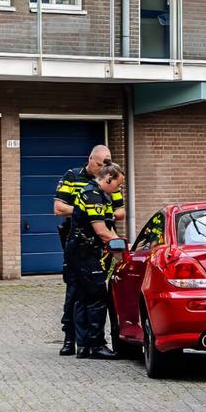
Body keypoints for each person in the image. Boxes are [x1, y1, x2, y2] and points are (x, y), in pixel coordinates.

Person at [53, 145, 125, 356]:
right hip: (84, 250)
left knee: (84, 296)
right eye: (117, 185)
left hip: (87, 249)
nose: (118, 189)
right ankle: (92, 344)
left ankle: (84, 346)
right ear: (108, 179)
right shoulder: (90, 193)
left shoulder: (101, 194)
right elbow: (102, 230)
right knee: (92, 295)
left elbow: (113, 217)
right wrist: (120, 246)